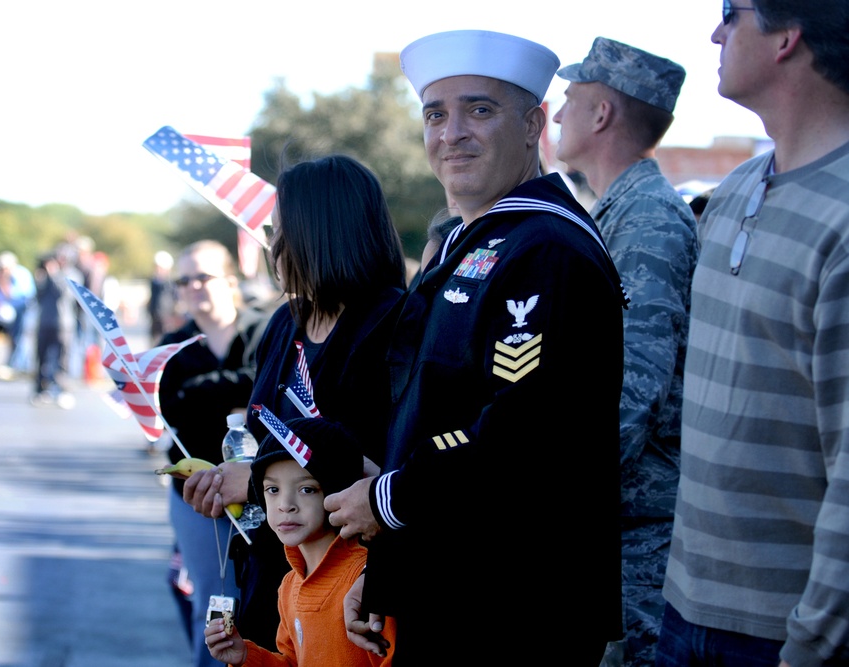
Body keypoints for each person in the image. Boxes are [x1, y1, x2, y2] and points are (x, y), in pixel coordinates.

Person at [322, 30, 627, 665]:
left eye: (479, 110)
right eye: (435, 115)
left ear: (533, 125)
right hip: (454, 584)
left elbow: (524, 429)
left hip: (515, 603)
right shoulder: (477, 242)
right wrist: (387, 571)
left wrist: (388, 501)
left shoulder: (545, 247)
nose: (452, 133)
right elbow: (433, 417)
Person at [655, 3, 849, 666]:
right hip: (683, 608)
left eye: (730, 13)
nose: (716, 32)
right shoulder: (735, 191)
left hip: (787, 634)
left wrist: (811, 644)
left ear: (787, 38)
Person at [183, 154, 406, 651]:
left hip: (350, 591)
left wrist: (256, 479)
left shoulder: (394, 324)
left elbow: (393, 466)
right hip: (274, 579)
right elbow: (263, 436)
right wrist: (230, 485)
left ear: (322, 233)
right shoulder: (285, 322)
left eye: (282, 232)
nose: (273, 246)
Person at [552, 37, 699, 667]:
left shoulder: (647, 221)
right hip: (617, 519)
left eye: (570, 98)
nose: (559, 113)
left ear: (602, 113)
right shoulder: (619, 213)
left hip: (636, 529)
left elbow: (634, 387)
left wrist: (555, 500)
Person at [157, 240, 271, 667]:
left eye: (203, 277)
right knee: (214, 599)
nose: (193, 287)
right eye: (183, 280)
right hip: (197, 494)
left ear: (230, 280)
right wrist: (238, 390)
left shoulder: (266, 328)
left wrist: (200, 390)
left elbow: (266, 386)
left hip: (266, 491)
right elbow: (171, 408)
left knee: (265, 593)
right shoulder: (172, 346)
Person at [205, 416, 395, 667]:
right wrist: (246, 657)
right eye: (273, 490)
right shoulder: (289, 585)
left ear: (339, 492)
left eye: (307, 489)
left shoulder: (367, 579)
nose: (285, 505)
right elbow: (292, 661)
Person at [31, 246, 78, 408]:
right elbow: (38, 296)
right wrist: (41, 279)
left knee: (62, 359)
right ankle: (41, 389)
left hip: (64, 324)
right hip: (44, 322)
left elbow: (63, 294)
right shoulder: (45, 275)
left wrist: (54, 275)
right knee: (41, 357)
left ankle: (62, 390)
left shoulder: (72, 274)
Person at [0, 251, 37, 378]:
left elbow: (19, 295)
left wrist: (4, 281)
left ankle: (19, 365)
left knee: (19, 338)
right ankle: (9, 363)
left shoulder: (21, 274)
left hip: (20, 310)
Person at [148, 250, 177, 346]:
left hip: (167, 321)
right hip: (155, 320)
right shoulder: (154, 282)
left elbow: (176, 301)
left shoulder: (171, 283)